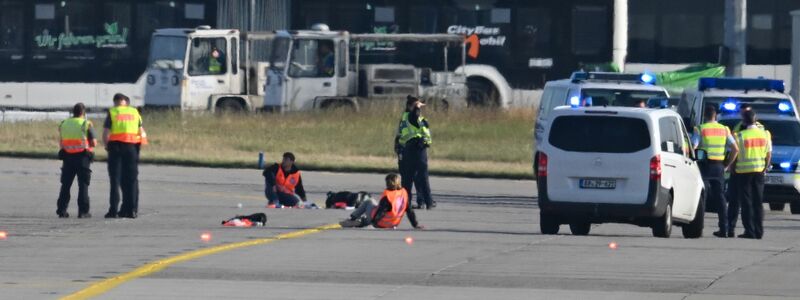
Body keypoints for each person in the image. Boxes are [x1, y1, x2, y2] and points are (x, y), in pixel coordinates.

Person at [693, 105, 739, 238]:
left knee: (702, 197)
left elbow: (694, 146)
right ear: (716, 116)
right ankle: (724, 229)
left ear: (705, 116)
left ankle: (698, 228)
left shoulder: (700, 129)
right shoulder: (724, 129)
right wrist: (727, 164)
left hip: (704, 166)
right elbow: (735, 149)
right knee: (721, 198)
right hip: (719, 167)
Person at [103, 93, 147, 219]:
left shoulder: (113, 112)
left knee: (115, 179)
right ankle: (131, 210)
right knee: (132, 180)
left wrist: (107, 146)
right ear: (126, 102)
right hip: (132, 148)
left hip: (116, 148)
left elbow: (106, 133)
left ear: (115, 102)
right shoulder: (134, 112)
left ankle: (113, 210)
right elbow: (141, 132)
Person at [727, 104, 768, 233]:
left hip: (743, 171)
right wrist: (765, 167)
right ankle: (756, 230)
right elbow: (768, 153)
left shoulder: (740, 134)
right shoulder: (763, 133)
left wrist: (730, 166)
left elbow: (734, 151)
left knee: (747, 202)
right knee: (756, 201)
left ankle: (750, 230)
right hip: (757, 170)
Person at [57, 103, 97, 218]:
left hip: (67, 157)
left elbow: (61, 141)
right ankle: (83, 211)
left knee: (65, 185)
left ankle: (61, 210)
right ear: (83, 113)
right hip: (82, 158)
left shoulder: (64, 123)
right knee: (83, 185)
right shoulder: (86, 123)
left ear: (73, 112)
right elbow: (94, 142)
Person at [339, 173, 423, 229]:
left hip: (381, 223)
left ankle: (352, 218)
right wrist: (415, 225)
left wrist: (373, 224)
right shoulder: (404, 193)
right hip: (394, 224)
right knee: (373, 204)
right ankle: (360, 219)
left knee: (369, 201)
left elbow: (381, 212)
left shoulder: (388, 196)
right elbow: (410, 211)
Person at [395, 95, 436, 209]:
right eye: (416, 105)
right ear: (410, 106)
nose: (419, 107)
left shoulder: (405, 117)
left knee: (408, 179)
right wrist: (417, 107)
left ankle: (407, 203)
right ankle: (428, 202)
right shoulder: (412, 115)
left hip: (408, 149)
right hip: (417, 149)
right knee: (422, 177)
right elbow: (415, 117)